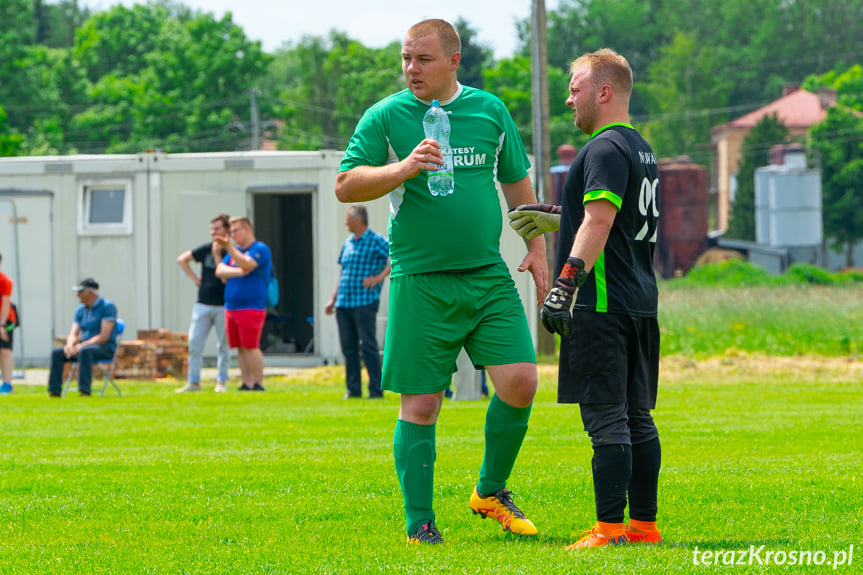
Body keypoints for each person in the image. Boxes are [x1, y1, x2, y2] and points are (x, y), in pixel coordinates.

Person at [335, 19, 548, 545]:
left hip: (486, 274)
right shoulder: (386, 115)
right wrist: (402, 168)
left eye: (423, 59)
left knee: (521, 382)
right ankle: (420, 523)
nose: (412, 69)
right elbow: (345, 184)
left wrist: (537, 247)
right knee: (423, 403)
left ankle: (490, 491)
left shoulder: (489, 110)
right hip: (420, 280)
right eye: (406, 59)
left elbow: (517, 184)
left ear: (454, 61)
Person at [510, 49, 662, 549]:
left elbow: (598, 221)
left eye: (576, 88)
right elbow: (608, 217)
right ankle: (642, 526)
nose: (568, 98)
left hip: (602, 303)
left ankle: (608, 529)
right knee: (637, 415)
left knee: (606, 418)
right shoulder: (640, 149)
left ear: (604, 91)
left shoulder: (600, 149)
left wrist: (564, 283)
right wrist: (562, 213)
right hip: (640, 302)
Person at [325, 205, 390, 400]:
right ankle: (353, 390)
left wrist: (378, 278)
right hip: (344, 302)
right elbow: (343, 272)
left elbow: (395, 257)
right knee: (348, 347)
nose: (345, 222)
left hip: (365, 301)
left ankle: (375, 390)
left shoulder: (376, 240)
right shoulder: (348, 242)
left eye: (348, 219)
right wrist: (333, 298)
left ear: (358, 220)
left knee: (368, 345)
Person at [175, 213, 232, 393]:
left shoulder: (232, 252)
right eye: (211, 229)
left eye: (217, 229)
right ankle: (193, 382)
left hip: (224, 304)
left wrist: (217, 255)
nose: (213, 233)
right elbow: (182, 258)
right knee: (194, 341)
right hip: (203, 303)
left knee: (223, 345)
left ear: (226, 230)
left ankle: (221, 381)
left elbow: (223, 277)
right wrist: (194, 278)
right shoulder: (205, 249)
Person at [215, 216, 271, 392]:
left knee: (251, 345)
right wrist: (240, 272)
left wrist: (229, 248)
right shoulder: (235, 251)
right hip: (232, 306)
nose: (231, 236)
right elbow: (220, 271)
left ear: (247, 229)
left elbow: (249, 263)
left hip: (252, 305)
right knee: (239, 347)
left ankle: (258, 383)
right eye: (230, 232)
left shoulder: (260, 248)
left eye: (235, 231)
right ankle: (246, 382)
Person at [47, 278, 118, 398]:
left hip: (105, 348)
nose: (77, 295)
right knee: (57, 353)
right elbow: (73, 333)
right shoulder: (80, 310)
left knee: (85, 351)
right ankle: (54, 391)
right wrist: (69, 346)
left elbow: (103, 336)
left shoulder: (107, 307)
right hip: (84, 347)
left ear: (89, 293)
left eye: (80, 292)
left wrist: (81, 346)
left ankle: (84, 391)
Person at [0, 253, 18, 395]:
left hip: (6, 319)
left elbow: (6, 304)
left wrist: (1, 325)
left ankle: (7, 384)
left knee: (5, 351)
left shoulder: (5, 280)